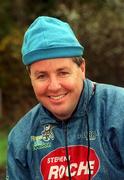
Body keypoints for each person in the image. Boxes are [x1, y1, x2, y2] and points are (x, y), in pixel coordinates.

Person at [6, 16, 124, 180]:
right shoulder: (21, 138)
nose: (54, 86)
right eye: (41, 76)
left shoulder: (119, 111)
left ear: (82, 68)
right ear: (30, 77)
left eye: (63, 73)